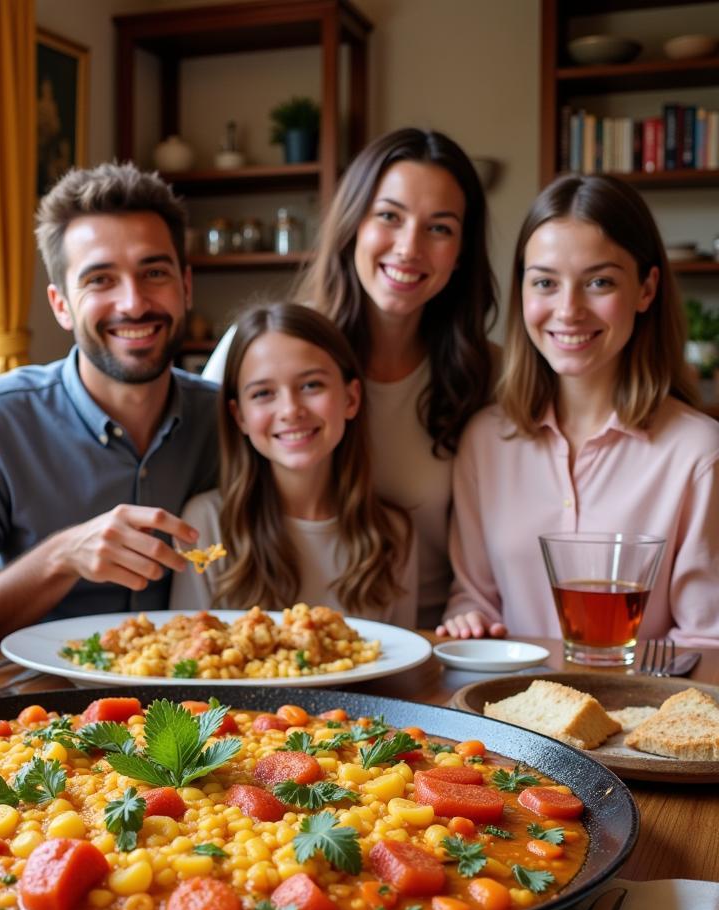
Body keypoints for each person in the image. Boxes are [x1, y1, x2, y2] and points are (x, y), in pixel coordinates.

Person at [203, 128, 497, 627]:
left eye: (440, 228)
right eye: (389, 216)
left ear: (462, 250)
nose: (409, 247)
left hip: (429, 641)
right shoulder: (260, 350)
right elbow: (216, 496)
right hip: (272, 643)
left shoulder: (493, 374)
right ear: (352, 224)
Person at [0, 163, 218, 647]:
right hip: (35, 710)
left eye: (154, 273)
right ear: (61, 304)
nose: (133, 303)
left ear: (186, 287)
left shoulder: (231, 419)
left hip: (202, 707)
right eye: (100, 280)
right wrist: (61, 557)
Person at [439, 173, 719, 646]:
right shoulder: (485, 440)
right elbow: (474, 598)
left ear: (646, 289)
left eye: (599, 282)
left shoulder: (698, 453)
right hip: (502, 712)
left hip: (643, 713)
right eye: (545, 282)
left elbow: (707, 642)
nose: (568, 310)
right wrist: (468, 616)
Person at [172, 303, 416, 625]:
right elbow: (187, 659)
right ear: (239, 416)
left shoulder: (393, 535)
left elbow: (402, 667)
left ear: (351, 398)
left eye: (311, 385)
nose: (290, 410)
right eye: (263, 393)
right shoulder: (205, 524)